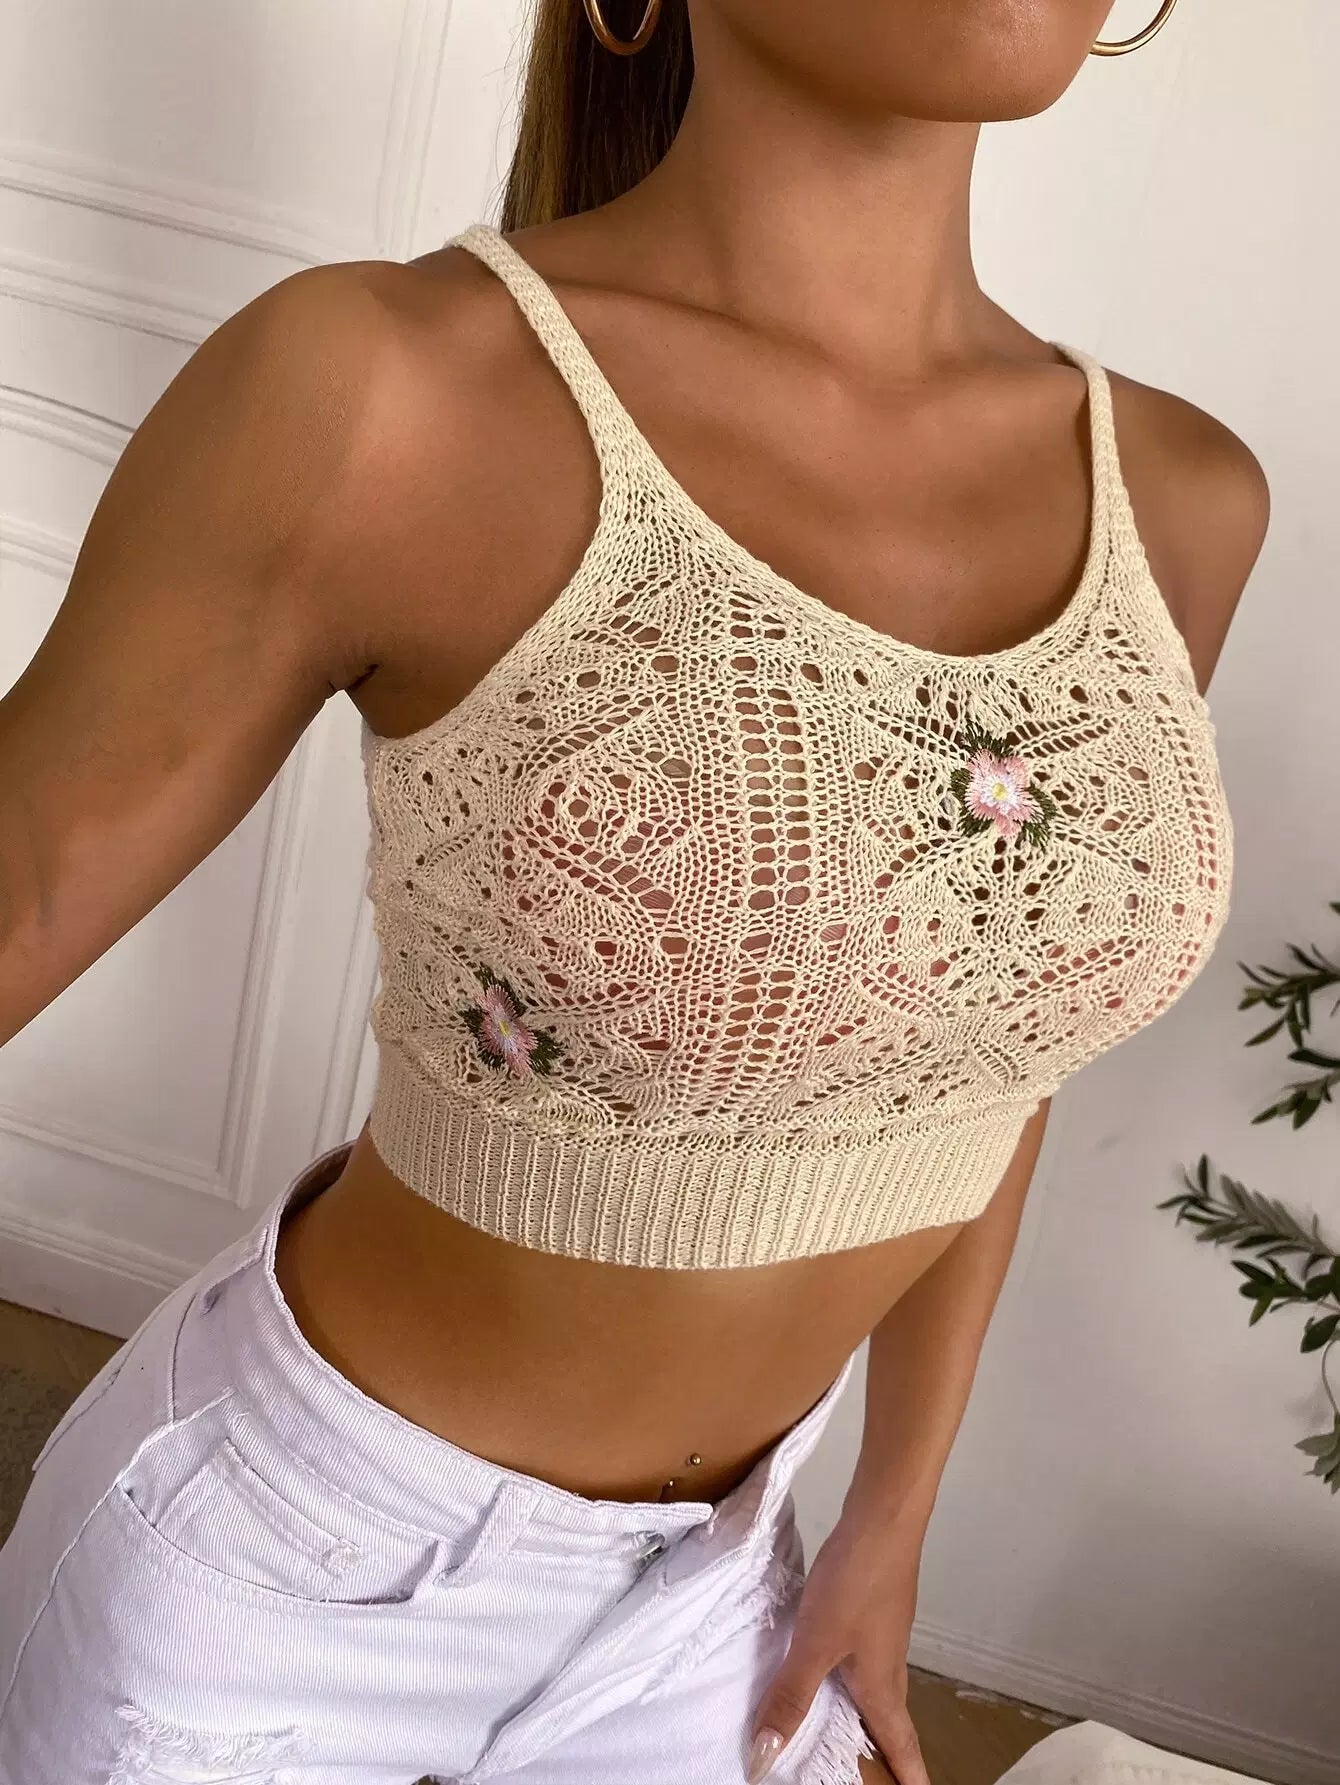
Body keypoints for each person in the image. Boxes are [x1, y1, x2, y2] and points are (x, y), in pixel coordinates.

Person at [0, 2, 1268, 1782]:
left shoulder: (1182, 500)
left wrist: (893, 1513)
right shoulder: (384, 389)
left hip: (719, 1603)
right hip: (287, 1580)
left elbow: (993, 1033)